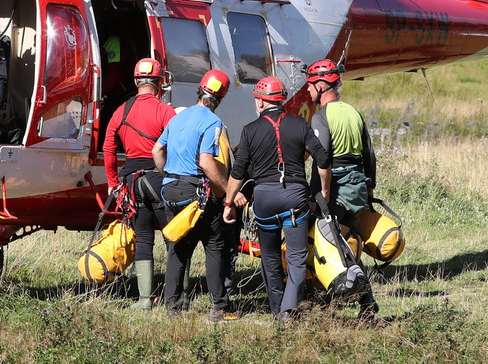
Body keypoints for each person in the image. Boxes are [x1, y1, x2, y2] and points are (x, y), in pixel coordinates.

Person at [223, 76, 322, 323]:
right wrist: (321, 192)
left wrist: (228, 203)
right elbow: (323, 157)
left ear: (259, 101)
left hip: (264, 198)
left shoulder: (249, 131)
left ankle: (277, 310)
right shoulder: (301, 125)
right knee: (296, 259)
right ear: (282, 100)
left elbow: (238, 172)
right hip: (295, 197)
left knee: (269, 257)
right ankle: (289, 309)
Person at [152, 69, 237, 321]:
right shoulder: (213, 122)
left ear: (199, 90)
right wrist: (224, 190)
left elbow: (157, 150)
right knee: (214, 246)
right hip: (196, 193)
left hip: (170, 189)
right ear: (221, 98)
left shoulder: (177, 117)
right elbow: (207, 162)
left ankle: (172, 308)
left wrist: (168, 174)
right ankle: (220, 307)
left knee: (178, 247)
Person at [305, 58, 379, 317]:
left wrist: (317, 195)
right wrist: (369, 188)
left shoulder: (321, 117)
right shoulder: (353, 112)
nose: (308, 91)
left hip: (334, 189)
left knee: (328, 244)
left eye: (311, 85)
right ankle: (366, 304)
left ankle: (332, 302)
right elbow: (369, 155)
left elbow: (321, 159)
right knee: (350, 246)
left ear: (323, 85)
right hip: (357, 187)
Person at [102, 58, 177, 310]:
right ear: (159, 82)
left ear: (136, 82)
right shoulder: (165, 111)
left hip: (131, 182)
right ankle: (175, 297)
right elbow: (175, 145)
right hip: (158, 178)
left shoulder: (121, 111)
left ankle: (144, 299)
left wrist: (112, 182)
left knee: (144, 238)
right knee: (173, 237)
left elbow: (109, 146)